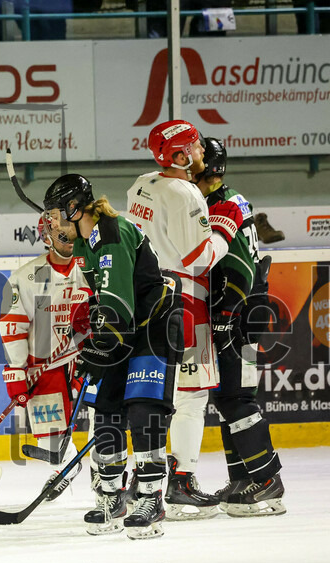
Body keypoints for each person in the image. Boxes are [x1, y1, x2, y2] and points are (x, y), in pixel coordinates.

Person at [43, 174, 181, 539]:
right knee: (105, 407)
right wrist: (95, 342)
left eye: (56, 214)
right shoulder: (89, 243)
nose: (53, 223)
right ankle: (111, 496)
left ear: (74, 208)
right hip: (126, 331)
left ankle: (151, 498)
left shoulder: (111, 234)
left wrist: (101, 346)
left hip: (152, 328)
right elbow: (104, 304)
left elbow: (118, 306)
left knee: (142, 408)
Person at [125, 120, 229, 521]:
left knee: (150, 393)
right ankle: (181, 481)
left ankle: (142, 477)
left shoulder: (141, 183)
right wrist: (224, 230)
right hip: (183, 298)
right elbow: (197, 258)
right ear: (181, 156)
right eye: (195, 146)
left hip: (144, 297)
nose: (201, 151)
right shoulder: (185, 192)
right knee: (191, 397)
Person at [196, 137, 286, 517]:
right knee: (227, 398)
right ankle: (243, 478)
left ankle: (267, 480)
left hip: (243, 314)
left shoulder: (223, 204)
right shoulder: (223, 200)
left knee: (238, 398)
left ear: (207, 170)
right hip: (237, 310)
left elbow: (240, 267)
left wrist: (226, 313)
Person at [0, 211, 90, 500]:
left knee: (107, 418)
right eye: (61, 235)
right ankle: (67, 462)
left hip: (91, 356)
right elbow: (12, 326)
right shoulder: (25, 277)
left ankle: (106, 478)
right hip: (46, 364)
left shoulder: (92, 268)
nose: (68, 240)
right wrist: (16, 371)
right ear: (47, 238)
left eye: (71, 233)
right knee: (51, 439)